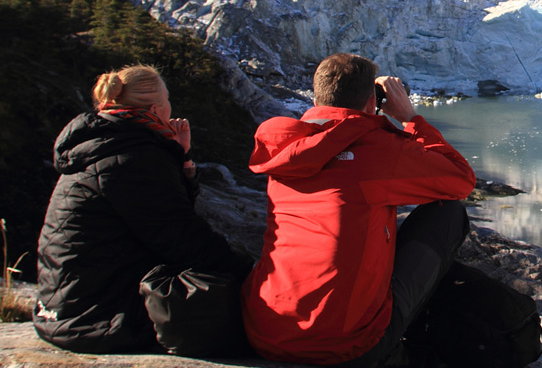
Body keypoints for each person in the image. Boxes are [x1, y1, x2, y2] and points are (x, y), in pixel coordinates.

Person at [242, 53, 476, 366]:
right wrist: (410, 118)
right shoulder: (379, 150)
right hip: (346, 346)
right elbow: (460, 179)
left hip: (265, 332)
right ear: (371, 102)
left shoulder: (286, 147)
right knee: (447, 212)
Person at [34, 64, 252, 353]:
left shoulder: (102, 144)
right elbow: (184, 240)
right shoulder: (133, 158)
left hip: (65, 307)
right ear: (154, 108)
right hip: (101, 317)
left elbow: (164, 215)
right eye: (168, 101)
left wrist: (181, 159)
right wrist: (250, 273)